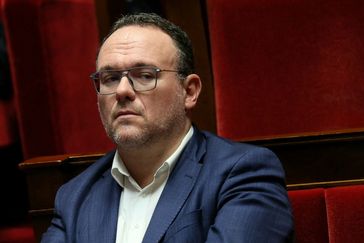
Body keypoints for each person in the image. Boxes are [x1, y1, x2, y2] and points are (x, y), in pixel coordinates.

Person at [41, 13, 293, 243]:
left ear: (190, 91)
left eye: (145, 75)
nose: (122, 91)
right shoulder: (74, 197)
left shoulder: (242, 174)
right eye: (110, 78)